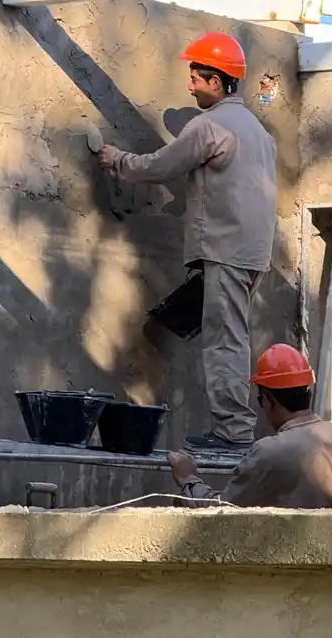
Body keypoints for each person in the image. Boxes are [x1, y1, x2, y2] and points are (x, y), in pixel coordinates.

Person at [98, 31, 276, 453]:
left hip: (227, 250)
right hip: (248, 252)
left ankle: (233, 432)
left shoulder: (210, 125)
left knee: (225, 339)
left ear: (217, 81)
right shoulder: (257, 131)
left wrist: (117, 161)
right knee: (225, 331)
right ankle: (233, 428)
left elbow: (163, 166)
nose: (190, 84)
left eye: (196, 76)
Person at [167, 343, 332, 510]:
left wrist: (189, 478)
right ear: (309, 393)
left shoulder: (269, 452)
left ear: (268, 401)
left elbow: (221, 511)